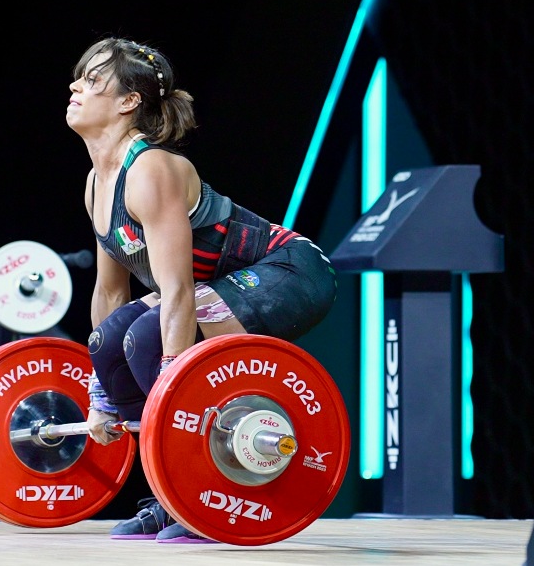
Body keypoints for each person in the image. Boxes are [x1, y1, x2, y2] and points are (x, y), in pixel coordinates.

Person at [66, 36, 339, 543]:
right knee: (110, 341)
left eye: (92, 79)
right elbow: (109, 297)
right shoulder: (97, 183)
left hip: (292, 272)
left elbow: (177, 291)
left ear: (129, 103)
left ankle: (202, 497)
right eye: (80, 77)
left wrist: (175, 392)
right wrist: (101, 393)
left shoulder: (151, 169)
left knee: (147, 341)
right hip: (217, 284)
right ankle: (172, 497)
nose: (75, 86)